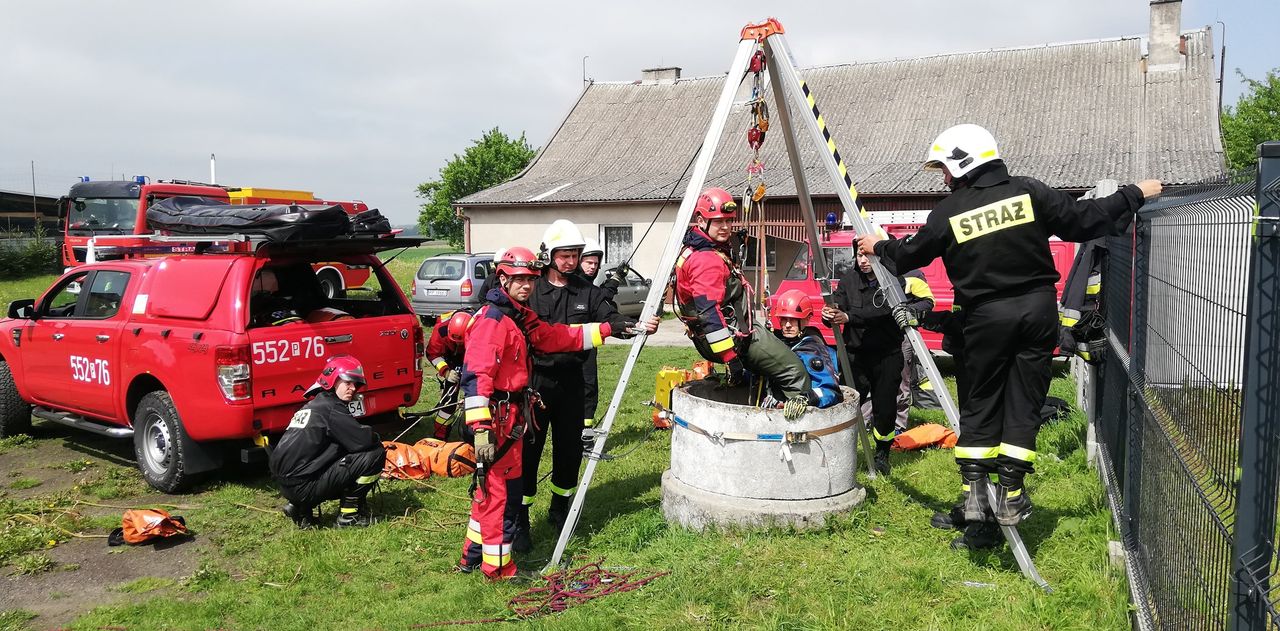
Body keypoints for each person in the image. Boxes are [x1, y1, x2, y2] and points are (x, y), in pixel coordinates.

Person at [857, 123, 1162, 530]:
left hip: (985, 317)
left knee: (981, 401)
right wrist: (1134, 193)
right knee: (1025, 402)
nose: (944, 179)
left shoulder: (950, 211)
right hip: (1038, 313)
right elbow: (1085, 219)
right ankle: (1011, 495)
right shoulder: (1029, 192)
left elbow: (910, 254)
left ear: (964, 163)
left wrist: (878, 246)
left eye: (945, 169)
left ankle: (973, 496)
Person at [457, 246, 624, 580]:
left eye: (530, 279)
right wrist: (480, 428)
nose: (526, 286)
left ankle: (472, 557)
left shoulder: (516, 314)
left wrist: (606, 330)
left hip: (511, 415)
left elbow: (553, 336)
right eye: (518, 279)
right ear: (502, 277)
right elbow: (477, 375)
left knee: (489, 491)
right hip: (496, 420)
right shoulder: (493, 320)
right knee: (504, 496)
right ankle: (499, 568)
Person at [521, 220, 658, 552]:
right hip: (536, 384)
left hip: (572, 382)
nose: (570, 261)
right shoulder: (532, 289)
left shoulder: (587, 291)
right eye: (564, 255)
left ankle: (560, 509)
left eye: (574, 255)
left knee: (568, 452)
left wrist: (636, 325)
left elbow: (610, 318)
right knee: (529, 452)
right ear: (549, 255)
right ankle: (521, 518)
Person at [674, 187, 811, 419]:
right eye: (718, 222)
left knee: (767, 366)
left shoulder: (695, 248)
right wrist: (730, 358)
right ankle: (794, 425)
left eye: (729, 221)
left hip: (725, 334)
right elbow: (709, 313)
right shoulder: (707, 261)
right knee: (794, 371)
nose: (726, 227)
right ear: (700, 220)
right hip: (736, 338)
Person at [821, 249, 931, 476]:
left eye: (867, 256)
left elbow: (885, 311)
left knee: (885, 406)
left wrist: (850, 317)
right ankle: (840, 448)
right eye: (859, 256)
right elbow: (840, 302)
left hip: (887, 354)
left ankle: (882, 453)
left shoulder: (893, 281)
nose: (863, 261)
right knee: (846, 401)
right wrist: (831, 313)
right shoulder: (848, 279)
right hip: (855, 354)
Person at [269, 355, 384, 529]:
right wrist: (375, 437)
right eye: (348, 382)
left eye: (356, 384)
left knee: (341, 449)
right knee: (375, 454)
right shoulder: (331, 408)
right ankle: (349, 516)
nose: (353, 388)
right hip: (304, 487)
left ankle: (302, 510)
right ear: (333, 381)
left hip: (287, 486)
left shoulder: (313, 405)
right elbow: (362, 441)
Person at [770, 290, 842, 408]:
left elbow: (830, 391)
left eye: (793, 320)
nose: (787, 325)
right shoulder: (777, 343)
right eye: (784, 319)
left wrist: (806, 399)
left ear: (807, 319)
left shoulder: (814, 352)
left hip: (805, 417)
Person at [424, 310, 473, 440]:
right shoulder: (441, 330)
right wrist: (446, 372)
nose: (458, 344)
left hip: (473, 356)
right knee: (448, 401)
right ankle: (440, 436)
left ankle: (472, 435)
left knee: (474, 397)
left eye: (460, 342)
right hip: (451, 359)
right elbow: (432, 354)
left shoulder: (479, 330)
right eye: (455, 341)